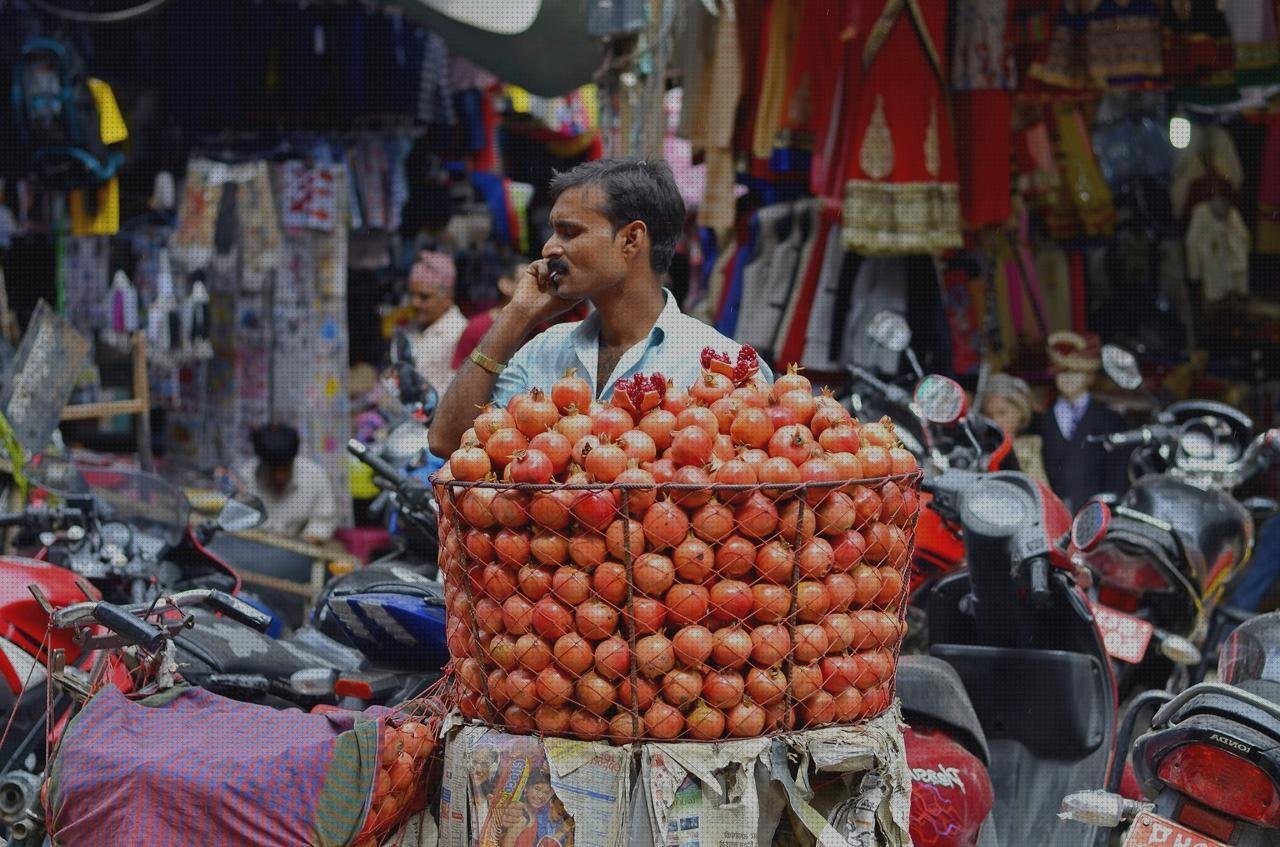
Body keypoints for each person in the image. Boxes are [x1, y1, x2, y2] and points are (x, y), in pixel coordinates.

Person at [430, 158, 772, 457]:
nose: (549, 248)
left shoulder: (723, 367)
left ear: (631, 239)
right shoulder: (542, 351)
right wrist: (517, 314)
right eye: (553, 232)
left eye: (569, 232)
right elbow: (447, 442)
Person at [1033, 331, 1128, 513]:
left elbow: (1118, 473)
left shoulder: (1110, 419)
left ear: (1090, 375)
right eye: (1062, 372)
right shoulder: (1041, 421)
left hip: (1096, 515)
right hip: (1053, 515)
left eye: (1076, 372)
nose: (1068, 378)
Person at [237, 423, 338, 543]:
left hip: (301, 552)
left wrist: (311, 538)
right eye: (273, 469)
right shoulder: (246, 478)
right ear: (262, 462)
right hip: (254, 550)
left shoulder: (314, 477)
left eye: (285, 468)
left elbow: (323, 521)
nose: (280, 477)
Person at [405, 250, 469, 398]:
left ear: (447, 298)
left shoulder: (460, 333)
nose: (414, 302)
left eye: (424, 297)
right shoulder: (412, 327)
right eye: (412, 295)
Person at [451, 256, 523, 371]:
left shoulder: (542, 328)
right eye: (527, 282)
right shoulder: (476, 329)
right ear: (505, 285)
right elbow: (458, 375)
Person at [981, 372, 1048, 484]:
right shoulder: (982, 449)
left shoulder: (1034, 445)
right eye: (989, 415)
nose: (995, 421)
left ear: (1021, 411)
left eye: (1002, 413)